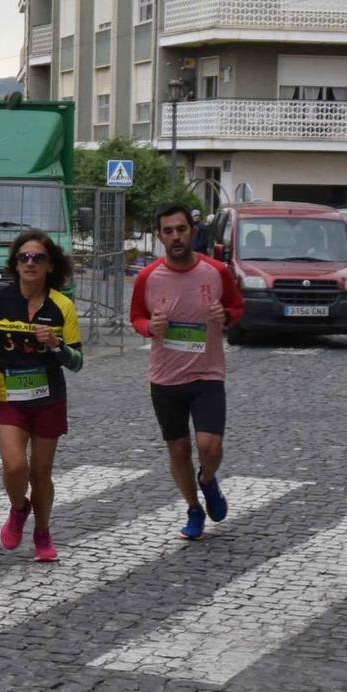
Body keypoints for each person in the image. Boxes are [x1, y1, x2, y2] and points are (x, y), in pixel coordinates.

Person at [133, 202, 245, 542]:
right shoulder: (147, 277)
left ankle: (208, 479)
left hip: (207, 373)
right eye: (168, 231)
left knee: (209, 446)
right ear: (160, 237)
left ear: (192, 232)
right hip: (165, 378)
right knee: (178, 450)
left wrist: (225, 315)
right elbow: (136, 317)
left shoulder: (216, 272)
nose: (176, 236)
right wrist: (150, 326)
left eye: (181, 229)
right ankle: (194, 509)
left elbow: (238, 308)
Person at [0, 231, 84, 562]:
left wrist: (56, 346)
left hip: (49, 398)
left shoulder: (63, 306)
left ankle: (42, 532)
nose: (30, 263)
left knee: (40, 473)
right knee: (15, 465)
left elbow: (77, 363)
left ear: (50, 265)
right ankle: (19, 508)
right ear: (15, 264)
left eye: (38, 258)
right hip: (9, 396)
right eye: (24, 257)